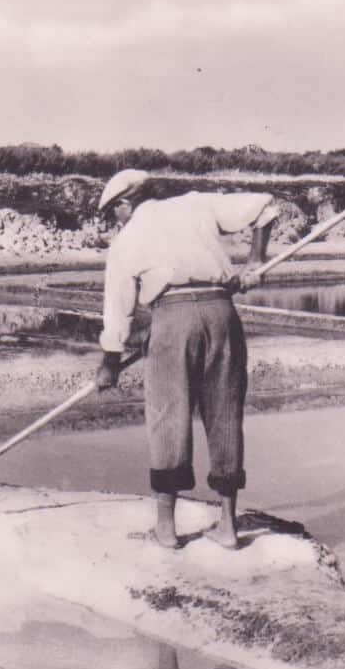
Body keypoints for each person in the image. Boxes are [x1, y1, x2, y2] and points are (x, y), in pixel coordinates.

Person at [94, 169, 278, 550]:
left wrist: (111, 359)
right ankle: (227, 527)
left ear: (125, 204)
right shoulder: (196, 203)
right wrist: (254, 263)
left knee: (168, 416)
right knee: (225, 415)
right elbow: (264, 207)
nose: (115, 220)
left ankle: (166, 529)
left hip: (173, 317)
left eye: (114, 212)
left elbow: (119, 307)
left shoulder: (127, 239)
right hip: (221, 313)